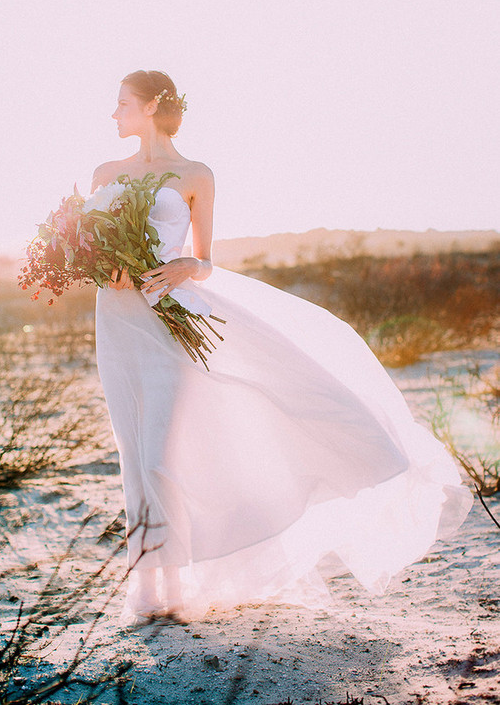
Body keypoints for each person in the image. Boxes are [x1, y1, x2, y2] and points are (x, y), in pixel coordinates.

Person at [92, 69, 473, 627]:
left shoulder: (196, 174)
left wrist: (182, 268)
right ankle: (150, 588)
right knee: (133, 454)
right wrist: (107, 269)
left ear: (150, 107)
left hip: (169, 323)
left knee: (160, 454)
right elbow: (92, 245)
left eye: (122, 103)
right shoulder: (105, 173)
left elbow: (205, 261)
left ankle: (178, 582)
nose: (113, 113)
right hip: (118, 322)